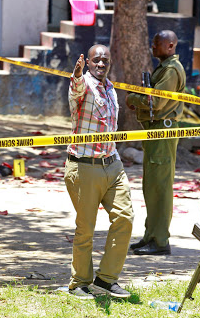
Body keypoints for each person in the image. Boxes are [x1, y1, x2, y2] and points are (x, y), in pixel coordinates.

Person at [65, 44, 134, 299]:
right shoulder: (83, 85)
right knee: (86, 228)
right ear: (88, 62)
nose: (101, 64)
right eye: (96, 60)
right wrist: (77, 75)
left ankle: (106, 279)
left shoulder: (111, 88)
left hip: (112, 164)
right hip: (84, 166)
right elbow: (76, 90)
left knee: (125, 218)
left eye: (105, 60)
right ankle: (79, 283)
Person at [125, 30, 186, 255]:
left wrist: (133, 98)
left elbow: (157, 102)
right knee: (151, 186)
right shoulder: (165, 67)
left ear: (170, 46)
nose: (153, 47)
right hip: (156, 131)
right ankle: (151, 235)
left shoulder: (170, 70)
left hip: (163, 130)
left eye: (156, 44)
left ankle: (160, 240)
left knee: (160, 187)